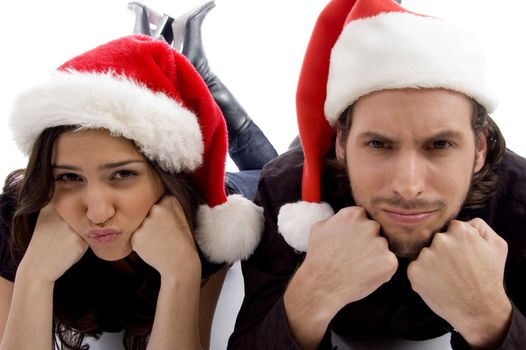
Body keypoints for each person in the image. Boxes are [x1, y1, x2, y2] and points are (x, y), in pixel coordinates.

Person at [228, 0, 526, 349]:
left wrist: (489, 319)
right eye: (379, 144)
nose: (409, 186)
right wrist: (312, 294)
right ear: (341, 142)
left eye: (440, 144)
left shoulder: (519, 200)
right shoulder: (285, 191)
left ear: (479, 149)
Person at [0, 28, 266, 349]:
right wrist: (33, 275)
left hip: (235, 187)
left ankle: (202, 76)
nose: (97, 213)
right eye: (69, 178)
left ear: (164, 175)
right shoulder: (14, 220)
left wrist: (181, 271)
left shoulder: (206, 224)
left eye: (122, 174)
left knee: (279, 171)